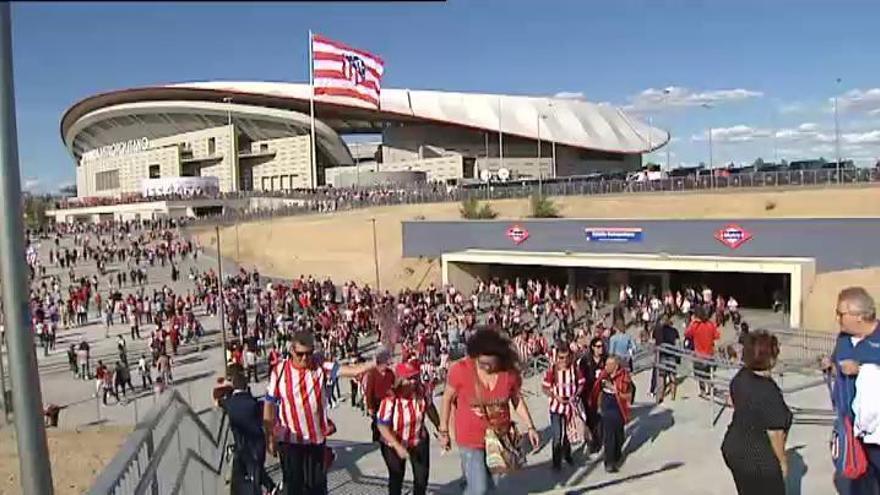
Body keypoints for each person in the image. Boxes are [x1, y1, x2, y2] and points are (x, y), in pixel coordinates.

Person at [263, 331, 375, 495]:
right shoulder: (279, 371)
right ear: (292, 351)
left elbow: (352, 370)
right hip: (290, 442)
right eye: (300, 354)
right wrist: (269, 436)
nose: (304, 358)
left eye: (308, 353)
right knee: (294, 488)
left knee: (317, 488)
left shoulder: (320, 365)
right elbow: (269, 403)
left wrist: (375, 362)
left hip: (315, 440)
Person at [438, 328, 540, 495]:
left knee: (492, 486)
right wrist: (444, 431)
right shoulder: (461, 370)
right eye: (481, 362)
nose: (485, 367)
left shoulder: (508, 374)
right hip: (470, 438)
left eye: (489, 364)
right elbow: (447, 399)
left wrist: (530, 427)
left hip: (500, 438)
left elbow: (517, 400)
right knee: (479, 488)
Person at [721, 330, 792, 495]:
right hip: (758, 458)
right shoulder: (769, 390)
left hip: (734, 448)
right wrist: (782, 462)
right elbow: (775, 433)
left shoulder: (740, 377)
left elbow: (734, 401)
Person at [825, 287, 880, 493]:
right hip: (849, 425)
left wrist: (862, 369)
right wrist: (830, 364)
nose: (837, 318)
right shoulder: (843, 339)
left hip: (875, 431)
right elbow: (836, 360)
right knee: (857, 477)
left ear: (859, 316)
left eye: (841, 313)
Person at [376, 361, 441, 495]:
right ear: (399, 379)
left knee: (421, 479)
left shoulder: (421, 390)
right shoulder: (390, 397)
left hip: (418, 439)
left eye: (415, 377)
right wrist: (397, 446)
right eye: (408, 378)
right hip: (393, 442)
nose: (412, 382)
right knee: (396, 478)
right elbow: (382, 426)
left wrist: (440, 428)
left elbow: (430, 407)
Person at [222, 365, 278, 495]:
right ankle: (270, 489)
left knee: (254, 473)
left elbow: (217, 398)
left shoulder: (229, 403)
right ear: (246, 386)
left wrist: (225, 387)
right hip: (258, 444)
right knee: (257, 472)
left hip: (242, 445)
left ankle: (269, 489)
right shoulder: (253, 403)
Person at [542, 342, 585, 471]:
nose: (564, 360)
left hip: (570, 407)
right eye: (561, 357)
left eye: (566, 357)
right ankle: (556, 463)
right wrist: (555, 397)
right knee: (557, 435)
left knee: (567, 434)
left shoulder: (575, 369)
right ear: (557, 358)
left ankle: (567, 455)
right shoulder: (552, 370)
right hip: (556, 407)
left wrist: (575, 395)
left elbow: (581, 383)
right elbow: (545, 387)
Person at [590, 355, 632, 473]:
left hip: (619, 408)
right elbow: (597, 391)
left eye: (609, 365)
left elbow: (628, 395)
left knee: (619, 435)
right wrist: (597, 406)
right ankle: (609, 462)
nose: (606, 367)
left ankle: (617, 454)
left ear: (616, 366)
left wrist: (615, 389)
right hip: (606, 407)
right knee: (609, 436)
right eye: (606, 364)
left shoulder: (624, 376)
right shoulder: (603, 376)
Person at [578, 336, 606, 456]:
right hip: (587, 393)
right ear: (593, 347)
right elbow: (580, 377)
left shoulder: (605, 360)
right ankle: (591, 442)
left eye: (602, 346)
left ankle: (599, 441)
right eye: (598, 347)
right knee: (589, 418)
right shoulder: (586, 360)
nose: (601, 349)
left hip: (601, 392)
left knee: (600, 417)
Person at [685, 305, 720, 397]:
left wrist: (692, 322)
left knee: (700, 374)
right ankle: (710, 389)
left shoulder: (695, 325)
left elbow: (687, 334)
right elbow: (717, 336)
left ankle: (703, 391)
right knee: (709, 373)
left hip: (699, 354)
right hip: (710, 353)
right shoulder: (710, 324)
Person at [365, 348, 395, 442]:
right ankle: (376, 441)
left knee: (389, 423)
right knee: (376, 424)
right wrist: (370, 406)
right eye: (385, 363)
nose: (386, 365)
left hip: (388, 402)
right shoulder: (372, 374)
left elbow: (394, 386)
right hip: (377, 402)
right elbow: (369, 391)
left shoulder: (390, 373)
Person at [651, 315, 680, 403]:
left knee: (661, 376)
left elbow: (653, 342)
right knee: (672, 375)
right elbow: (678, 343)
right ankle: (673, 395)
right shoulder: (674, 331)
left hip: (661, 354)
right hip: (671, 354)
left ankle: (660, 396)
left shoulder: (657, 330)